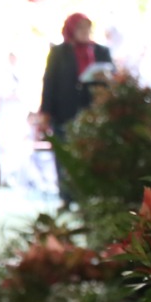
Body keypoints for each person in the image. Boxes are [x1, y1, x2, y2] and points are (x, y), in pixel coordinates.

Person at [36, 12, 112, 203]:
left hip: (94, 114)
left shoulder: (101, 51)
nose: (85, 31)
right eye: (80, 27)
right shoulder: (59, 53)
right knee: (65, 155)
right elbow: (50, 83)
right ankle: (66, 197)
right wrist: (45, 113)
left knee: (92, 157)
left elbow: (113, 77)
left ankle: (89, 198)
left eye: (87, 27)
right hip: (65, 113)